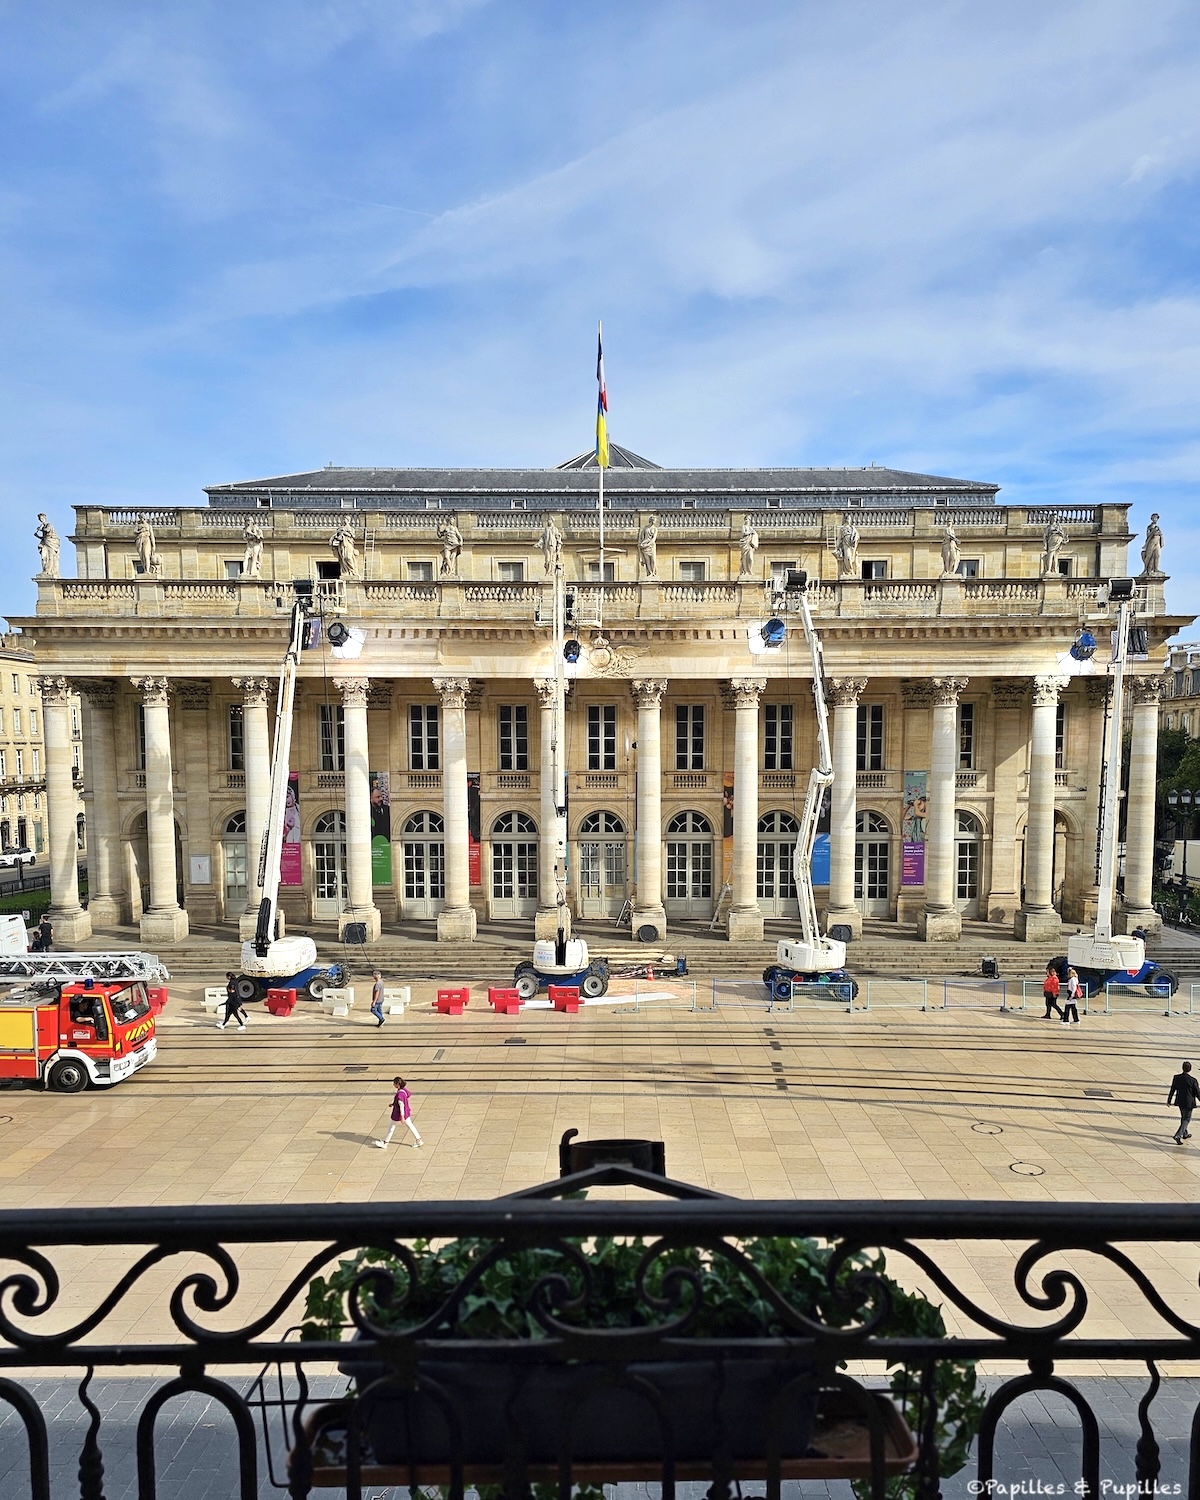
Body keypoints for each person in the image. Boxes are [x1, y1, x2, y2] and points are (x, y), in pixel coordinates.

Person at [374, 1076, 423, 1148]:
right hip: (406, 1112)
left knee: (391, 1128)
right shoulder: (403, 1090)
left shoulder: (400, 1095)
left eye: (394, 1083)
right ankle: (419, 1140)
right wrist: (393, 1104)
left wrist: (402, 1117)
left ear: (397, 1084)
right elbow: (408, 1095)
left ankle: (385, 1143)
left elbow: (401, 1105)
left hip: (397, 1114)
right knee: (410, 1125)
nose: (393, 1085)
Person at [1168, 1060, 1200, 1144]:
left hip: (1180, 1101)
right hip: (1189, 1103)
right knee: (1187, 1119)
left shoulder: (1177, 1078)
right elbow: (1197, 1092)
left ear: (1182, 1068)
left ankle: (1185, 1133)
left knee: (1183, 1117)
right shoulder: (1193, 1080)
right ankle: (1178, 1135)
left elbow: (1172, 1089)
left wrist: (1169, 1100)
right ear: (1190, 1069)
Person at [1140, 513, 1164, 577]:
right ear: (1151, 519)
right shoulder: (1149, 527)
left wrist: (1162, 539)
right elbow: (1148, 535)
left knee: (1157, 555)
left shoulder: (1158, 527)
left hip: (1157, 541)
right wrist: (1153, 531)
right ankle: (1146, 569)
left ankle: (1156, 569)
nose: (1155, 519)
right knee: (1149, 555)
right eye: (1154, 518)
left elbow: (1161, 535)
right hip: (1152, 541)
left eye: (1156, 518)